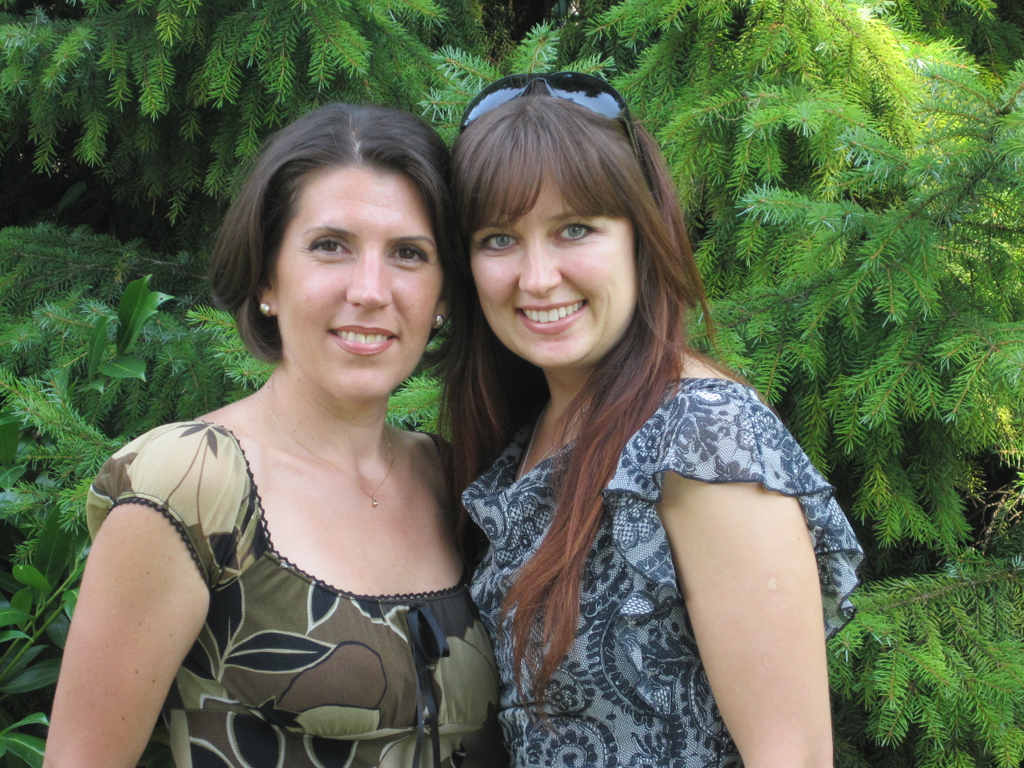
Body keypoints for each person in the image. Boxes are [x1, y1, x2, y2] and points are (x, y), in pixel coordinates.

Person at [45, 103, 499, 768]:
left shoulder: (457, 480)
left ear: (444, 297)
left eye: (409, 253)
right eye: (330, 246)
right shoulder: (190, 484)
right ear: (267, 278)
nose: (371, 290)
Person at [438, 73, 864, 767]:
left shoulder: (702, 435)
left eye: (575, 229)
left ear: (641, 235)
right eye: (498, 239)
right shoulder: (529, 436)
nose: (537, 277)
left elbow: (794, 755)